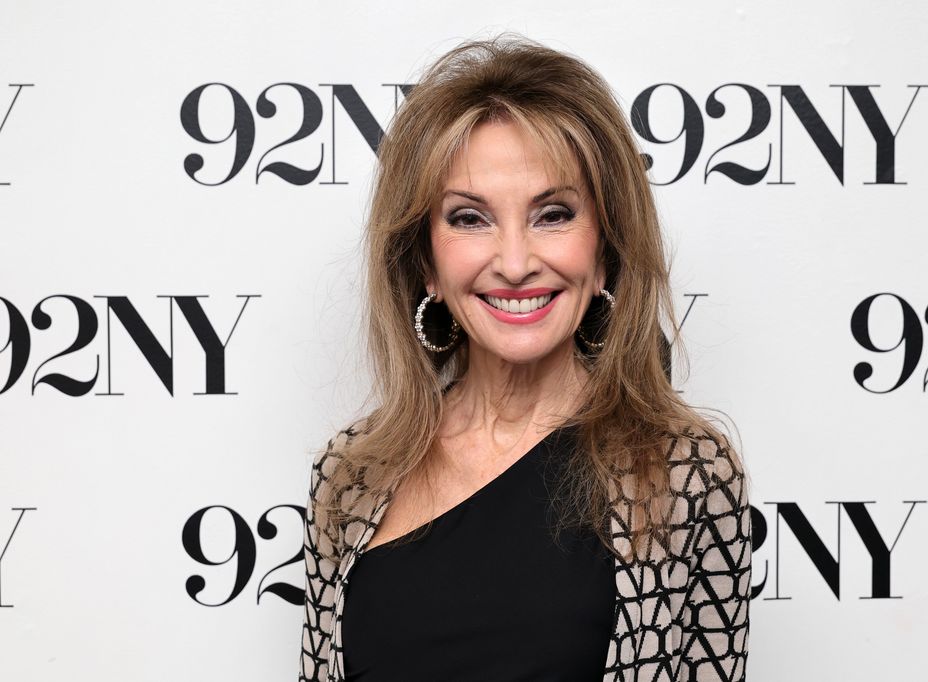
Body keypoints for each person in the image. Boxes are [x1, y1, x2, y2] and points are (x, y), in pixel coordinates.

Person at [299, 33, 752, 682]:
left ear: (605, 249)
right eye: (469, 219)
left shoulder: (684, 476)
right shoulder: (349, 476)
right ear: (426, 259)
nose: (514, 263)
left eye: (553, 214)